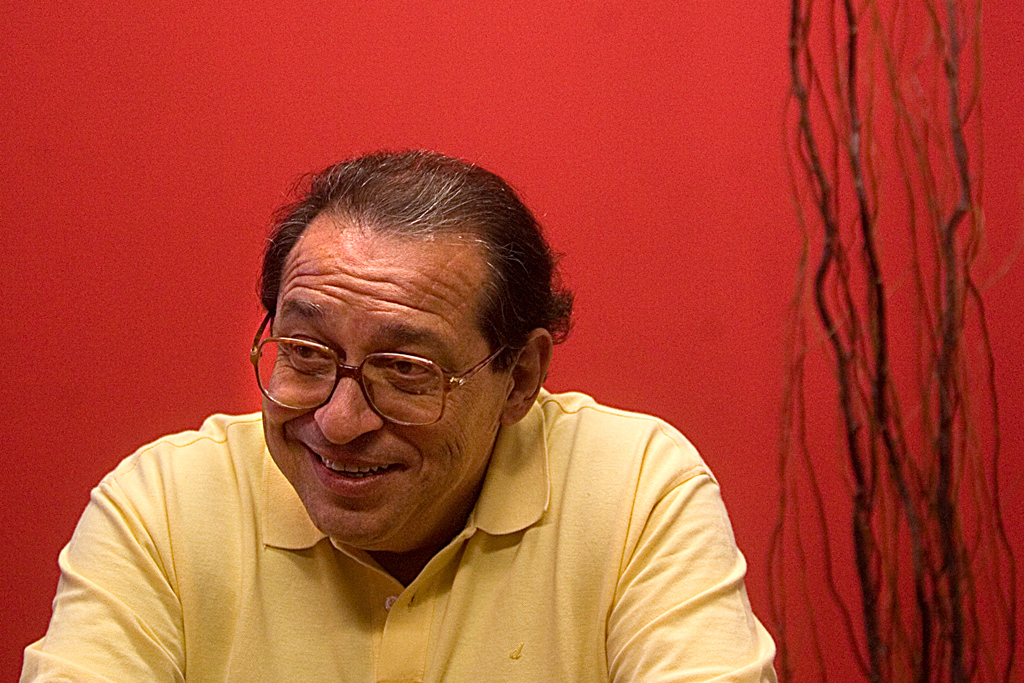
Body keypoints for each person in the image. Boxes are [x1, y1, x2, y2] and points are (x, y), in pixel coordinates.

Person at [22, 150, 777, 682]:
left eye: (406, 370)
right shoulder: (163, 505)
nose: (339, 421)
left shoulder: (634, 489)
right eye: (306, 353)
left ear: (520, 377)